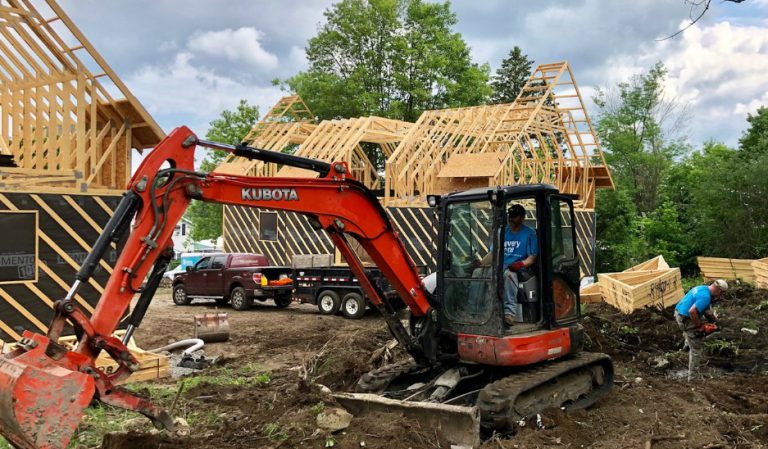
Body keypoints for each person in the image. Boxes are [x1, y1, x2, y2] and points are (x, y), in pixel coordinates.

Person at [474, 204, 537, 326]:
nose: (511, 219)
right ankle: (474, 310)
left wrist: (519, 264)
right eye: (510, 216)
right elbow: (493, 253)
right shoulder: (501, 232)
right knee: (477, 273)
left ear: (522, 217)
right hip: (500, 266)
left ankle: (509, 314)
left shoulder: (530, 234)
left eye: (515, 216)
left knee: (509, 276)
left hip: (517, 269)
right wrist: (480, 264)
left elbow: (532, 258)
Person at [674, 279, 728, 381]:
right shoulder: (706, 297)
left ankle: (687, 343)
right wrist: (700, 327)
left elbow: (707, 310)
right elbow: (692, 312)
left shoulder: (702, 288)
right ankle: (694, 378)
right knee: (696, 348)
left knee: (697, 325)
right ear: (720, 291)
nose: (720, 297)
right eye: (721, 294)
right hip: (685, 318)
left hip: (679, 312)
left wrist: (715, 321)